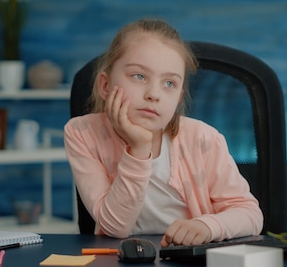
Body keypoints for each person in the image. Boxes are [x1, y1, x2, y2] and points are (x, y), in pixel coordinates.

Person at [64, 18, 263, 247]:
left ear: (178, 98)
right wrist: (138, 149)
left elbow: (251, 215)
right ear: (105, 85)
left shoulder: (203, 139)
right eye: (139, 76)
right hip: (119, 261)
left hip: (188, 263)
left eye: (169, 83)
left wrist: (206, 226)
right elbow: (114, 227)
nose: (154, 94)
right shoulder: (82, 133)